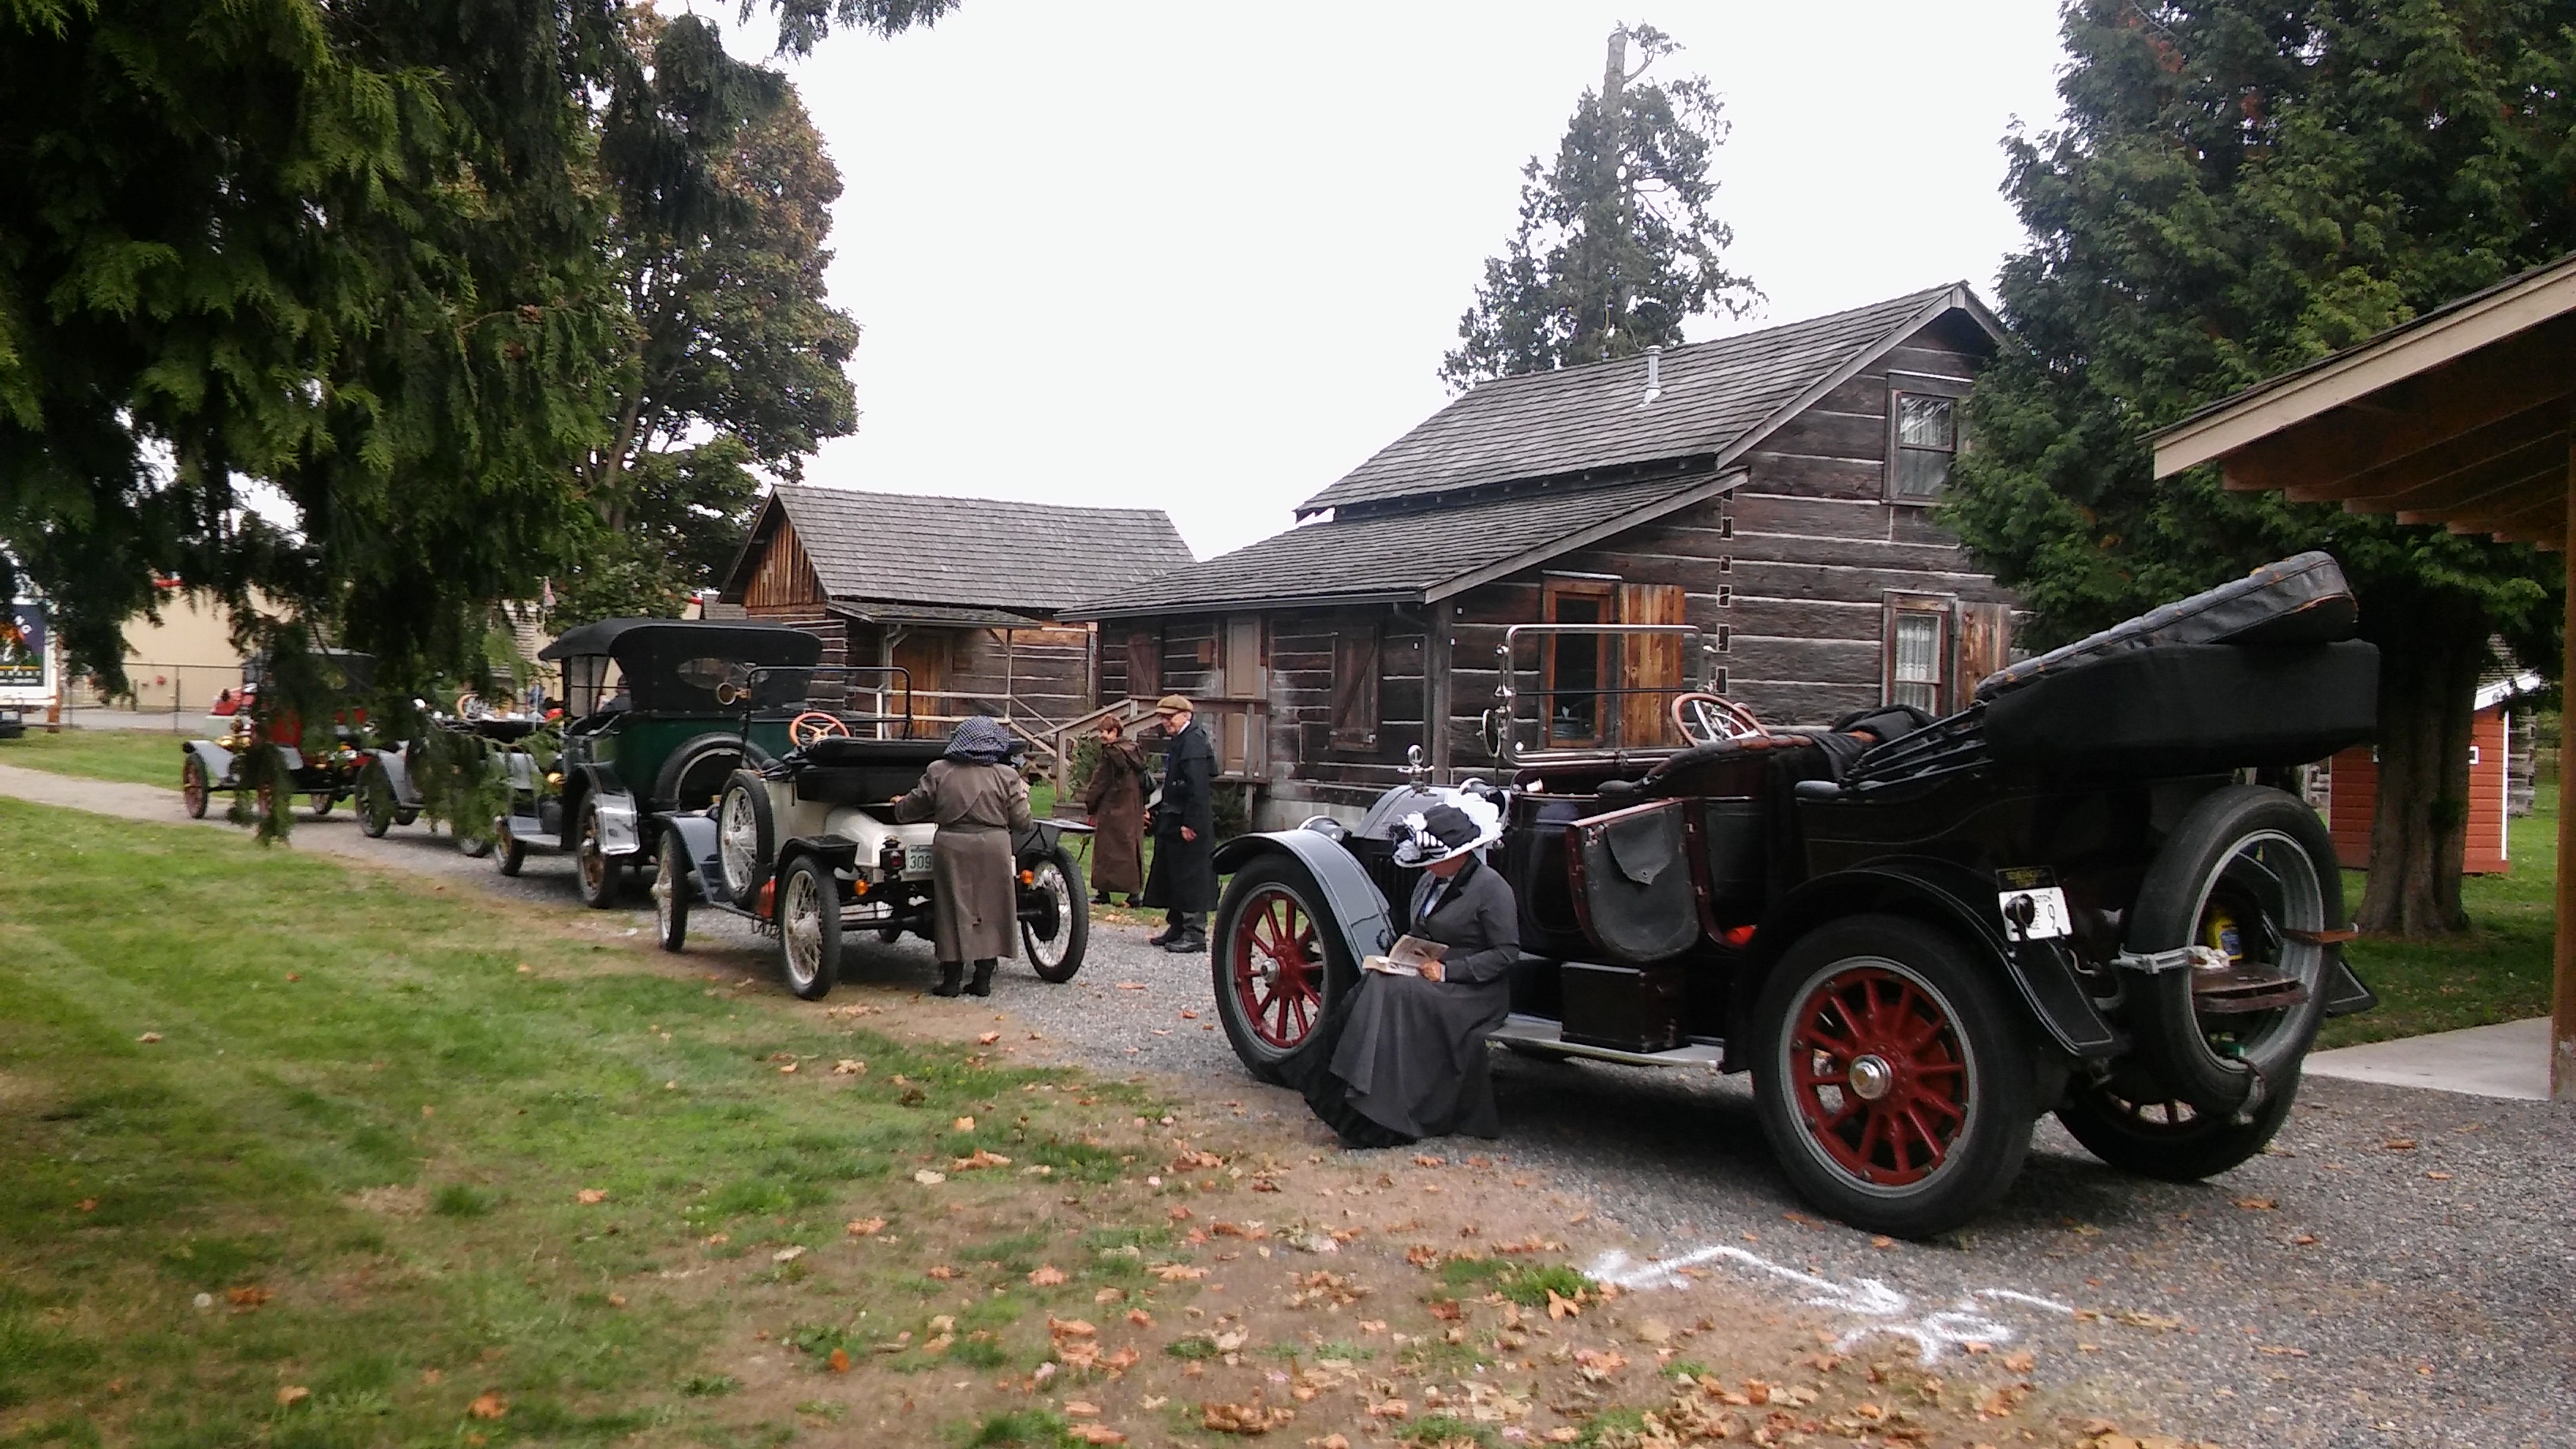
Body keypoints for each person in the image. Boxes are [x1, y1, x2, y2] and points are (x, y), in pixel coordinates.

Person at [1304, 799, 1518, 1147]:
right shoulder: (1429, 883)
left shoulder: (1492, 889)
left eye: (1436, 860)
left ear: (1461, 855)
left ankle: (1386, 1115)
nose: (1429, 867)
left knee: (1395, 993)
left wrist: (1449, 971)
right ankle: (1338, 1093)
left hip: (1474, 992)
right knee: (1375, 982)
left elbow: (1506, 953)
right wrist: (1404, 959)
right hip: (1427, 976)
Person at [893, 715, 1034, 998]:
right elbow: (1023, 822)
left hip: (952, 845)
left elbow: (912, 807)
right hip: (994, 846)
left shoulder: (940, 770)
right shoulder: (1006, 775)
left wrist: (898, 808)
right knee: (992, 907)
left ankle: (951, 980)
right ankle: (983, 978)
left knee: (952, 908)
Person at [1140, 694, 1216, 953]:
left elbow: (1199, 788)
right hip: (1175, 816)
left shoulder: (1193, 742)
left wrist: (1191, 822)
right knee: (1173, 872)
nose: (1165, 722)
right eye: (1162, 717)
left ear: (1186, 715)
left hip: (1189, 820)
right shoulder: (1181, 740)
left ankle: (1194, 932)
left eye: (1169, 717)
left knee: (1190, 876)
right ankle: (1177, 926)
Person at [1080, 713, 1150, 907]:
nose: (1102, 735)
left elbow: (1099, 781)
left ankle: (1104, 893)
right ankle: (1133, 894)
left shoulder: (1112, 753)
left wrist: (1090, 803)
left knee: (1106, 851)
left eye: (1105, 731)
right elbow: (1143, 780)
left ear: (1115, 732)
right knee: (1130, 848)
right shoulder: (1133, 750)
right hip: (1132, 807)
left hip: (1111, 807)